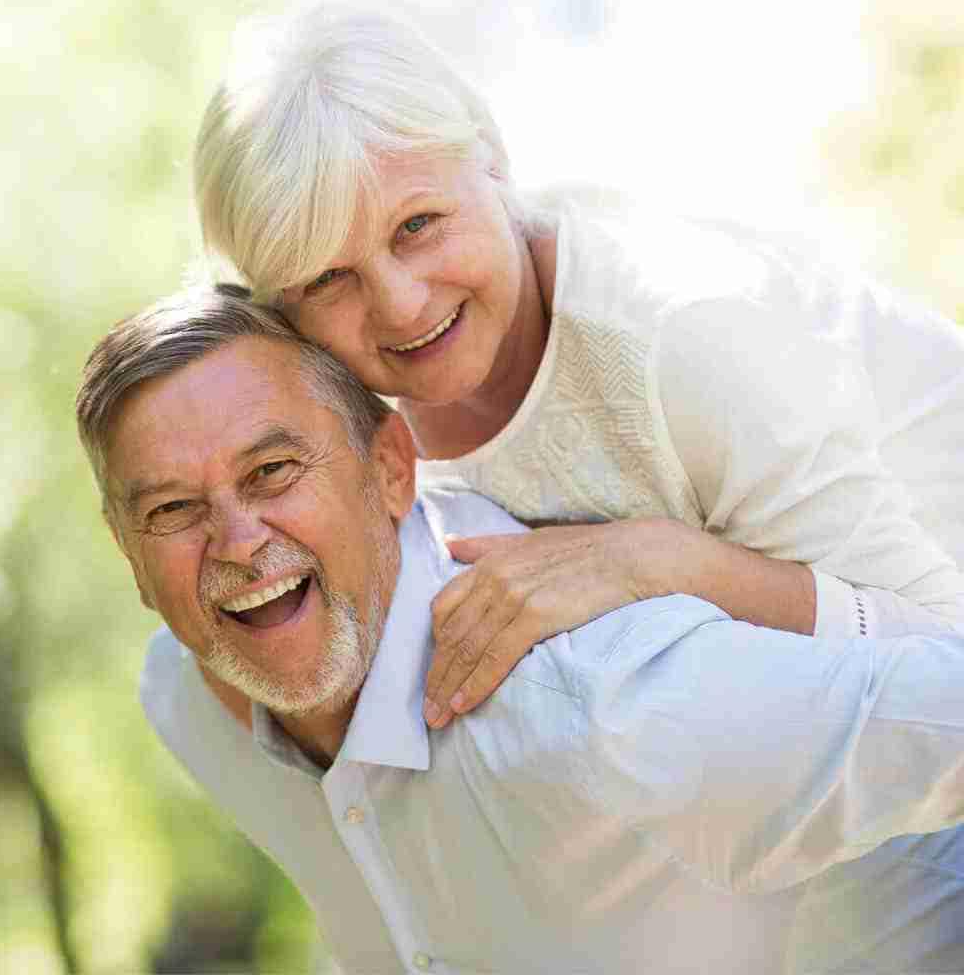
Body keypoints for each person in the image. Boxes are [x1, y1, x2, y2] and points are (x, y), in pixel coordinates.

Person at [76, 286, 964, 973]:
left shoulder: (592, 700)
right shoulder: (185, 701)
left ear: (390, 469)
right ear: (127, 558)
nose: (235, 541)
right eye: (173, 510)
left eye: (272, 471)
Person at [190, 0, 964, 727]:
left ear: (492, 162)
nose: (399, 304)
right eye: (327, 278)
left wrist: (654, 562)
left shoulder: (685, 333)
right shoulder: (343, 414)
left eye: (418, 225)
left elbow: (942, 652)